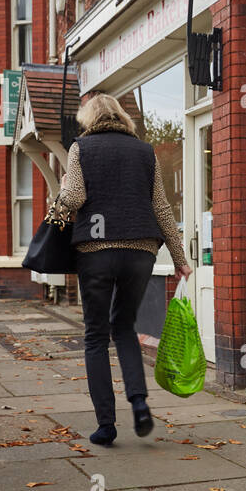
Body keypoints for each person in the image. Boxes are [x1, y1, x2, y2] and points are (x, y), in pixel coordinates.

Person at [50, 95, 192, 446]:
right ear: (121, 117)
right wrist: (180, 259)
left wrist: (60, 199)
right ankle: (140, 404)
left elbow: (75, 196)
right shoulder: (145, 152)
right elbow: (160, 206)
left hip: (96, 252)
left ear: (89, 118)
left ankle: (106, 425)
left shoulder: (81, 148)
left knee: (96, 335)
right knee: (124, 327)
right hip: (140, 252)